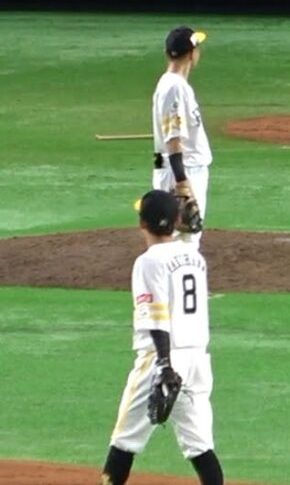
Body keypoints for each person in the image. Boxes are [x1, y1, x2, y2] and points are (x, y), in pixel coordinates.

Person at [100, 190, 222, 485]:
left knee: (124, 440)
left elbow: (155, 318)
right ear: (176, 221)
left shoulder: (149, 261)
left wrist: (165, 365)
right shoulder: (195, 256)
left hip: (163, 358)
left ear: (142, 223)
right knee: (200, 446)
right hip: (197, 359)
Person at [152, 26, 212, 249]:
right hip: (183, 171)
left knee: (181, 239)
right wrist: (182, 182)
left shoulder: (173, 85)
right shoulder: (174, 87)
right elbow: (173, 138)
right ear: (192, 54)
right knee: (182, 241)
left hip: (176, 169)